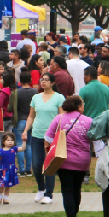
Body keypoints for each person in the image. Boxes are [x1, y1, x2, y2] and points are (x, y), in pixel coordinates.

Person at [47, 96, 92, 217]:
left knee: (67, 190)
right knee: (76, 189)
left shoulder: (59, 118)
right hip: (83, 161)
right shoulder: (88, 120)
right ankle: (74, 216)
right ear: (79, 106)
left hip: (63, 159)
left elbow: (48, 137)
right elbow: (94, 138)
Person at [22, 74, 64, 204]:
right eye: (42, 80)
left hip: (51, 137)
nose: (43, 82)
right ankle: (41, 189)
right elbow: (31, 116)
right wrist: (25, 130)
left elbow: (62, 116)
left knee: (49, 165)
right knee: (36, 164)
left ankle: (48, 194)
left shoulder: (59, 97)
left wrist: (60, 133)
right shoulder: (36, 97)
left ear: (52, 82)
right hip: (36, 134)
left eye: (46, 80)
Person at [0, 133, 23, 204]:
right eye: (8, 140)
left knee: (8, 184)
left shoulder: (14, 149)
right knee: (1, 184)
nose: (10, 141)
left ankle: (6, 198)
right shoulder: (0, 151)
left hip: (11, 169)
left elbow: (23, 148)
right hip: (2, 170)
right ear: (3, 141)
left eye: (12, 140)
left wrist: (24, 141)